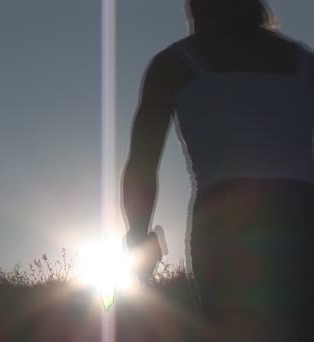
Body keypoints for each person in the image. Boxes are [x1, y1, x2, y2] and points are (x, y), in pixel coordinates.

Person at [121, 0, 314, 340]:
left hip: (226, 219)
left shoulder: (173, 64)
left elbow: (142, 161)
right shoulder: (303, 61)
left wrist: (139, 235)